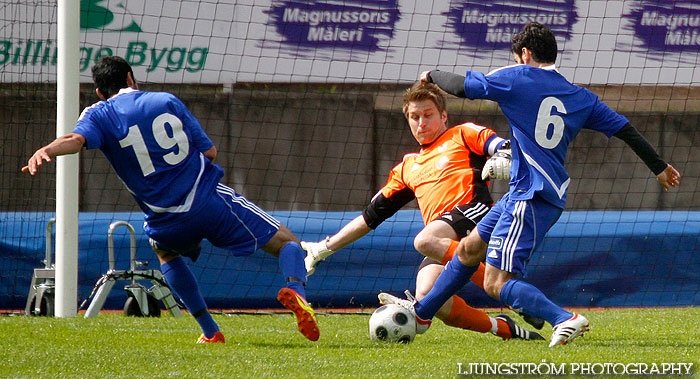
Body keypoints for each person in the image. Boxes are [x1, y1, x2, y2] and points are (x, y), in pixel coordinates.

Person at [379, 22, 681, 347]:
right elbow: (626, 129)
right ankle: (422, 313)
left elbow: (464, 86)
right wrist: (659, 167)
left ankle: (564, 318)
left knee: (496, 282)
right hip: (523, 194)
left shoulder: (516, 78)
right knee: (468, 248)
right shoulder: (580, 96)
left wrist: (431, 74)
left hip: (532, 196)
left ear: (524, 53)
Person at [22, 56, 320, 343]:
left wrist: (46, 149)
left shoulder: (98, 114)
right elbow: (210, 152)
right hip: (207, 200)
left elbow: (75, 140)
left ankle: (210, 330)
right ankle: (296, 291)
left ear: (100, 92)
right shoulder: (165, 101)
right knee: (287, 243)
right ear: (130, 78)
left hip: (165, 220)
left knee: (165, 253)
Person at [302, 82, 543, 341]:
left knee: (424, 240)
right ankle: (507, 329)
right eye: (414, 117)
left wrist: (504, 157)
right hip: (443, 239)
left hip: (476, 214)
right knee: (428, 297)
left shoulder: (463, 134)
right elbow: (369, 218)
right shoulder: (408, 167)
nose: (421, 123)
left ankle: (509, 293)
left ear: (443, 116)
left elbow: (502, 146)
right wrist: (323, 248)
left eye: (428, 115)